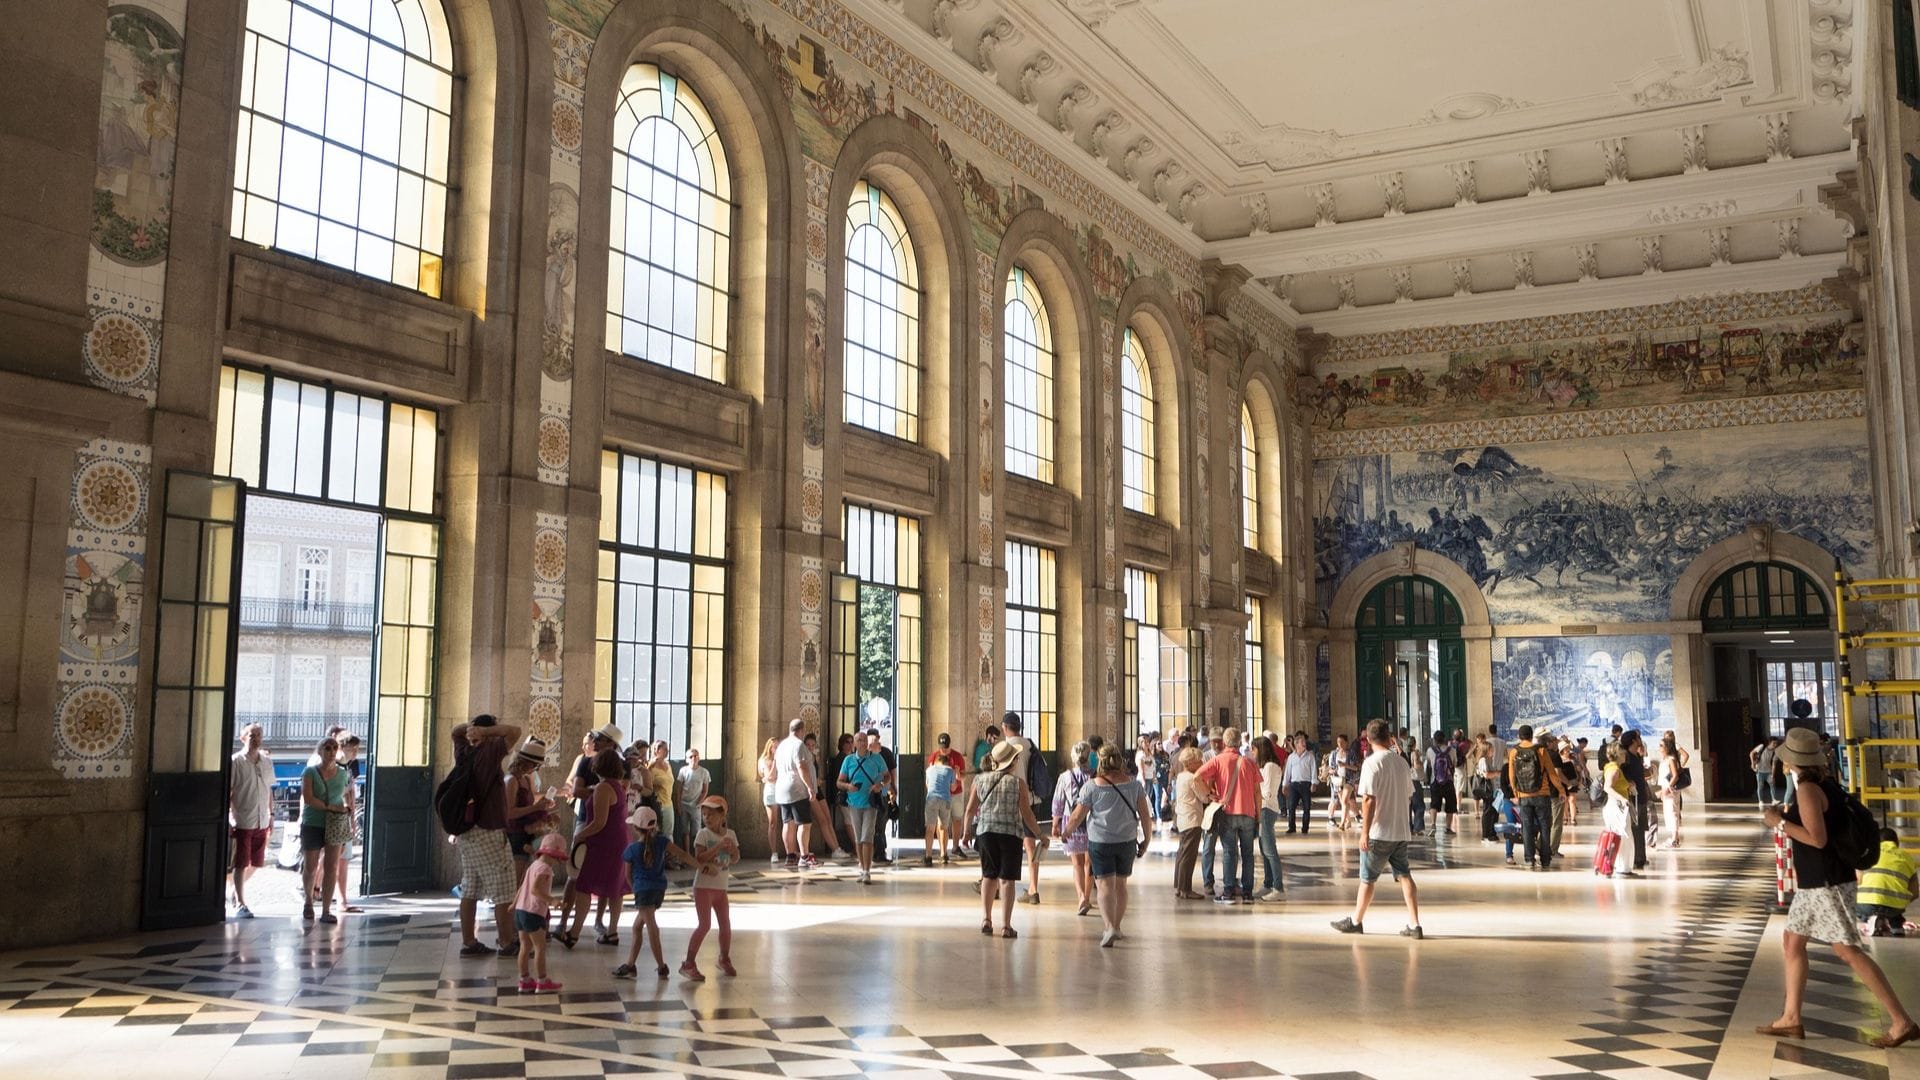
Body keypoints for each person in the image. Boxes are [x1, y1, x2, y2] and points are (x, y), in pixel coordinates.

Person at [1758, 728, 1917, 1048]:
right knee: (1791, 942)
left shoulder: (1806, 790)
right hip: (1816, 882)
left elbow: (1817, 839)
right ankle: (1791, 1018)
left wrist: (1780, 823)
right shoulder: (1824, 785)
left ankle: (1901, 1021)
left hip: (1826, 883)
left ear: (1791, 761)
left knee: (1847, 950)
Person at [1332, 720, 1423, 939]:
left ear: (1369, 740)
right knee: (1404, 875)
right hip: (1400, 830)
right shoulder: (1401, 763)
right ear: (1389, 737)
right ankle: (1414, 924)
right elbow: (1409, 796)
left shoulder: (1372, 764)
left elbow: (1368, 800)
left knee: (1367, 878)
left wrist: (1364, 832)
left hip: (1379, 832)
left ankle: (1356, 921)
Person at [1063, 745, 1152, 947]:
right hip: (1127, 842)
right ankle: (1117, 926)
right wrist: (1146, 840)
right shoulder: (1134, 786)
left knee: (1104, 886)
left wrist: (1067, 832)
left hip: (1101, 842)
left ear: (1100, 762)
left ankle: (1109, 926)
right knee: (1121, 886)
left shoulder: (1092, 786)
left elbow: (1078, 815)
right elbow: (1145, 816)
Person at [451, 715, 522, 955]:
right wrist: (486, 731)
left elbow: (455, 732)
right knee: (504, 890)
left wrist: (470, 729)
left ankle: (469, 942)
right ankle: (506, 941)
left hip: (467, 831)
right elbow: (514, 730)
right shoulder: (488, 751)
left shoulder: (463, 751)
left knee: (470, 887)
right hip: (488, 829)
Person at [963, 739, 1044, 938]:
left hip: (986, 833)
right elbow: (1027, 814)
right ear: (1013, 762)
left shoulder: (979, 780)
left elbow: (971, 809)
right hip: (1011, 834)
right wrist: (1040, 834)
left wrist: (966, 832)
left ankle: (986, 919)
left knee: (989, 876)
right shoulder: (1018, 784)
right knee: (1007, 880)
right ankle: (1006, 926)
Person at [561, 748, 629, 948]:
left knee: (584, 885)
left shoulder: (603, 788)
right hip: (619, 841)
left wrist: (580, 835)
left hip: (603, 843)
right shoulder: (618, 786)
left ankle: (573, 933)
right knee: (616, 888)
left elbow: (599, 822)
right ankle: (612, 932)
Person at [615, 806, 692, 979]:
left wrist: (636, 890)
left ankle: (661, 966)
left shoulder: (631, 850)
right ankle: (630, 965)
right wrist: (700, 865)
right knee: (637, 927)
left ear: (635, 828)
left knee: (651, 927)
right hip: (659, 890)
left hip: (643, 891)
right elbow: (682, 855)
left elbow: (628, 876)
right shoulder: (663, 841)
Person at [1193, 728, 1262, 905]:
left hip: (1228, 812)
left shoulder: (1218, 761)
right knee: (1248, 854)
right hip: (1247, 812)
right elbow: (1257, 792)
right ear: (1239, 742)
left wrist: (1209, 794)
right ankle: (1247, 893)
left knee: (1229, 853)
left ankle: (1229, 892)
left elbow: (1197, 776)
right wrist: (1258, 816)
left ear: (1224, 743)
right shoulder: (1249, 763)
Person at [682, 795, 739, 981]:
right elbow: (699, 858)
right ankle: (688, 963)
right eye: (704, 814)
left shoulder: (730, 834)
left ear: (723, 816)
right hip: (703, 887)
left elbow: (736, 857)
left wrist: (731, 850)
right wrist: (718, 847)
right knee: (704, 925)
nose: (707, 818)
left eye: (711, 815)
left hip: (721, 888)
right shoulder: (703, 835)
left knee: (725, 924)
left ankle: (724, 958)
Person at [299, 735, 352, 925]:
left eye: (333, 748)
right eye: (326, 748)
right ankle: (308, 901)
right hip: (313, 822)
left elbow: (346, 794)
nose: (330, 751)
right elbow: (309, 798)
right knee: (311, 866)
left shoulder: (343, 773)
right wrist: (331, 807)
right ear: (319, 751)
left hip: (335, 823)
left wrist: (347, 812)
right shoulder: (310, 772)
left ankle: (327, 909)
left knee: (332, 867)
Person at [1505, 724, 1567, 871]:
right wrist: (1561, 790)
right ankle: (1545, 859)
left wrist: (1516, 792)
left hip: (1524, 795)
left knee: (1526, 827)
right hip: (1542, 793)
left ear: (1519, 737)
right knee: (1545, 827)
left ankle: (1529, 859)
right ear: (1531, 736)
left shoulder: (1514, 752)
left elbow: (1511, 775)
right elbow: (1552, 773)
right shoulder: (1541, 750)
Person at [512, 831, 568, 993]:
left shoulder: (533, 865)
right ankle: (542, 981)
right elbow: (535, 890)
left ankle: (524, 980)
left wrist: (514, 903)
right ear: (554, 854)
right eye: (558, 858)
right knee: (539, 948)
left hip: (521, 910)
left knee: (524, 946)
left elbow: (523, 886)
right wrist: (552, 900)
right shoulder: (545, 869)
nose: (557, 862)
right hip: (534, 912)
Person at [1000, 713, 1047, 904]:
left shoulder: (1005, 747)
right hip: (1032, 800)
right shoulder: (1029, 744)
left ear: (1004, 727)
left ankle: (999, 885)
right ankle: (1033, 888)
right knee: (1030, 846)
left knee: (1005, 844)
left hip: (1011, 800)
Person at [229, 723, 274, 919]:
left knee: (256, 862)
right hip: (243, 819)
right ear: (242, 738)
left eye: (258, 734)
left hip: (261, 819)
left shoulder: (266, 761)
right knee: (240, 862)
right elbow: (229, 791)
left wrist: (271, 815)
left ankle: (233, 890)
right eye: (251, 735)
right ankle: (240, 902)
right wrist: (230, 816)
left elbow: (269, 789)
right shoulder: (236, 762)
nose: (255, 738)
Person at [836, 730, 892, 884]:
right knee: (858, 838)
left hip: (870, 803)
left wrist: (879, 785)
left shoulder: (877, 758)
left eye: (864, 740)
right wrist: (848, 786)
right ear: (854, 743)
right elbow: (839, 782)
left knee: (867, 836)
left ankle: (867, 871)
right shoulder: (848, 760)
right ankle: (862, 867)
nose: (862, 742)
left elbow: (888, 776)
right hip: (854, 803)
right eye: (859, 740)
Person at [1051, 742, 1096, 916]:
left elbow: (1058, 801)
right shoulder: (1095, 776)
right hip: (1092, 821)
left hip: (1072, 821)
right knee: (1089, 863)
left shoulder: (1065, 776)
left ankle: (1081, 897)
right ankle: (1087, 898)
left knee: (1076, 863)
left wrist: (1055, 824)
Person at [504, 738, 556, 886]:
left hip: (527, 833)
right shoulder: (511, 780)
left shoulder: (525, 780)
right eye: (534, 765)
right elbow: (509, 813)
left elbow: (527, 806)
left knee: (524, 880)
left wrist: (541, 808)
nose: (535, 769)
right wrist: (535, 808)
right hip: (515, 833)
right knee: (516, 881)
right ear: (524, 762)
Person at [772, 718, 817, 869]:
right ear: (801, 730)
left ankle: (790, 855)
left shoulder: (782, 745)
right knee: (804, 823)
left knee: (788, 823)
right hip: (796, 789)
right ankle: (804, 856)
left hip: (781, 789)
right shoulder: (799, 745)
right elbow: (802, 767)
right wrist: (810, 787)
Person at [1858, 828, 1917, 937]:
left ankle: (1870, 919)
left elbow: (1857, 882)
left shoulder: (1867, 854)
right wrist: (1899, 903)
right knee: (1892, 903)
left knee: (1855, 898)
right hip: (1894, 908)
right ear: (1897, 842)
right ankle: (1896, 924)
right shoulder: (1907, 857)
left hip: (1866, 906)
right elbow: (1915, 892)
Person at [1254, 736, 1286, 901]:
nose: (1253, 753)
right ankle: (1267, 884)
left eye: (1254, 749)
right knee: (1264, 850)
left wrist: (1255, 797)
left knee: (1270, 850)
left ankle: (1278, 888)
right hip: (1262, 809)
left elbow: (1267, 791)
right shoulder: (1266, 766)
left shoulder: (1270, 766)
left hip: (1267, 809)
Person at [924, 733, 964, 865]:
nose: (944, 750)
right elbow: (953, 786)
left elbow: (928, 783)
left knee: (949, 821)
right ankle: (943, 853)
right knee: (943, 826)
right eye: (942, 747)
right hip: (945, 797)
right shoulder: (937, 759)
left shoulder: (957, 757)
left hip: (937, 797)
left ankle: (930, 855)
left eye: (946, 747)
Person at [1171, 746, 1205, 899]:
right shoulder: (1192, 778)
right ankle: (1186, 889)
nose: (1201, 763)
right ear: (1190, 763)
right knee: (1188, 856)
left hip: (1183, 817)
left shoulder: (1181, 776)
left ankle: (1179, 886)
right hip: (1192, 818)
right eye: (1198, 761)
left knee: (1182, 853)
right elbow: (1203, 797)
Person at [1618, 731, 1652, 872]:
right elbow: (1621, 776)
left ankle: (1640, 857)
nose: (1640, 740)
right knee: (1635, 828)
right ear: (1633, 741)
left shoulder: (1636, 756)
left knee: (1641, 828)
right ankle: (1636, 858)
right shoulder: (1626, 758)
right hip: (1632, 798)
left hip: (1641, 796)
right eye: (1638, 738)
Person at [1656, 731, 1690, 849]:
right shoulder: (1666, 759)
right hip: (1667, 789)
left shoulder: (1671, 759)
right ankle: (1674, 837)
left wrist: (1667, 788)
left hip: (1670, 790)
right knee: (1669, 813)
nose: (1659, 748)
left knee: (1673, 813)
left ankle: (1675, 839)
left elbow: (1675, 775)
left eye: (1661, 746)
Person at [676, 747, 711, 851]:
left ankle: (697, 853)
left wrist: (700, 802)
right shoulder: (683, 771)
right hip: (684, 803)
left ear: (699, 758)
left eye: (695, 756)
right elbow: (679, 789)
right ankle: (686, 853)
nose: (693, 758)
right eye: (691, 756)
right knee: (685, 830)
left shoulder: (704, 772)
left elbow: (705, 790)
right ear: (687, 759)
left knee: (697, 831)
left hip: (696, 805)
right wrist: (678, 804)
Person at [1426, 731, 1458, 836]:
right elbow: (1455, 763)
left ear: (1434, 740)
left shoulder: (1430, 750)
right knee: (1450, 805)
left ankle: (1433, 825)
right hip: (1448, 782)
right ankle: (1448, 828)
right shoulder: (1452, 750)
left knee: (1434, 804)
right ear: (1444, 739)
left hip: (1435, 781)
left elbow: (1430, 765)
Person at [1282, 733, 1316, 834]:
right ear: (1296, 744)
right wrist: (1285, 784)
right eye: (1302, 742)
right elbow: (1287, 771)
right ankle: (1291, 827)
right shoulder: (1291, 757)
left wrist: (1314, 783)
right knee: (1291, 807)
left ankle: (1305, 828)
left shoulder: (1310, 756)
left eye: (1304, 742)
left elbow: (1314, 770)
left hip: (1306, 784)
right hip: (1294, 785)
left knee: (1306, 807)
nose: (1304, 743)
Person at [757, 737, 782, 863]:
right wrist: (775, 763)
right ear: (770, 748)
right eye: (774, 747)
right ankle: (774, 852)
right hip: (771, 791)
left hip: (783, 790)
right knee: (773, 822)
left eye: (778, 746)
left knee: (789, 821)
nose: (776, 749)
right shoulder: (764, 760)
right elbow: (770, 777)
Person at [1328, 734, 1352, 830]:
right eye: (1338, 742)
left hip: (1349, 779)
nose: (1340, 744)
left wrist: (1345, 765)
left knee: (1345, 800)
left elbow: (1356, 767)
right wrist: (1332, 771)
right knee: (1343, 802)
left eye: (1342, 742)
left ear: (1346, 742)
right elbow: (1330, 768)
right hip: (1337, 780)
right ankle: (1348, 820)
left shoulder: (1351, 753)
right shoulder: (1333, 754)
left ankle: (1342, 823)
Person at [1753, 736, 1781, 806]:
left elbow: (1774, 764)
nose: (1775, 745)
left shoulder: (1775, 752)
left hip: (1768, 771)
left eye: (1776, 743)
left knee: (1772, 784)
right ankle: (1760, 801)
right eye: (1774, 743)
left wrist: (1773, 775)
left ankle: (1774, 800)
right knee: (1760, 786)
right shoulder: (1762, 747)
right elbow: (1751, 753)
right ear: (1769, 743)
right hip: (1759, 770)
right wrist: (1752, 764)